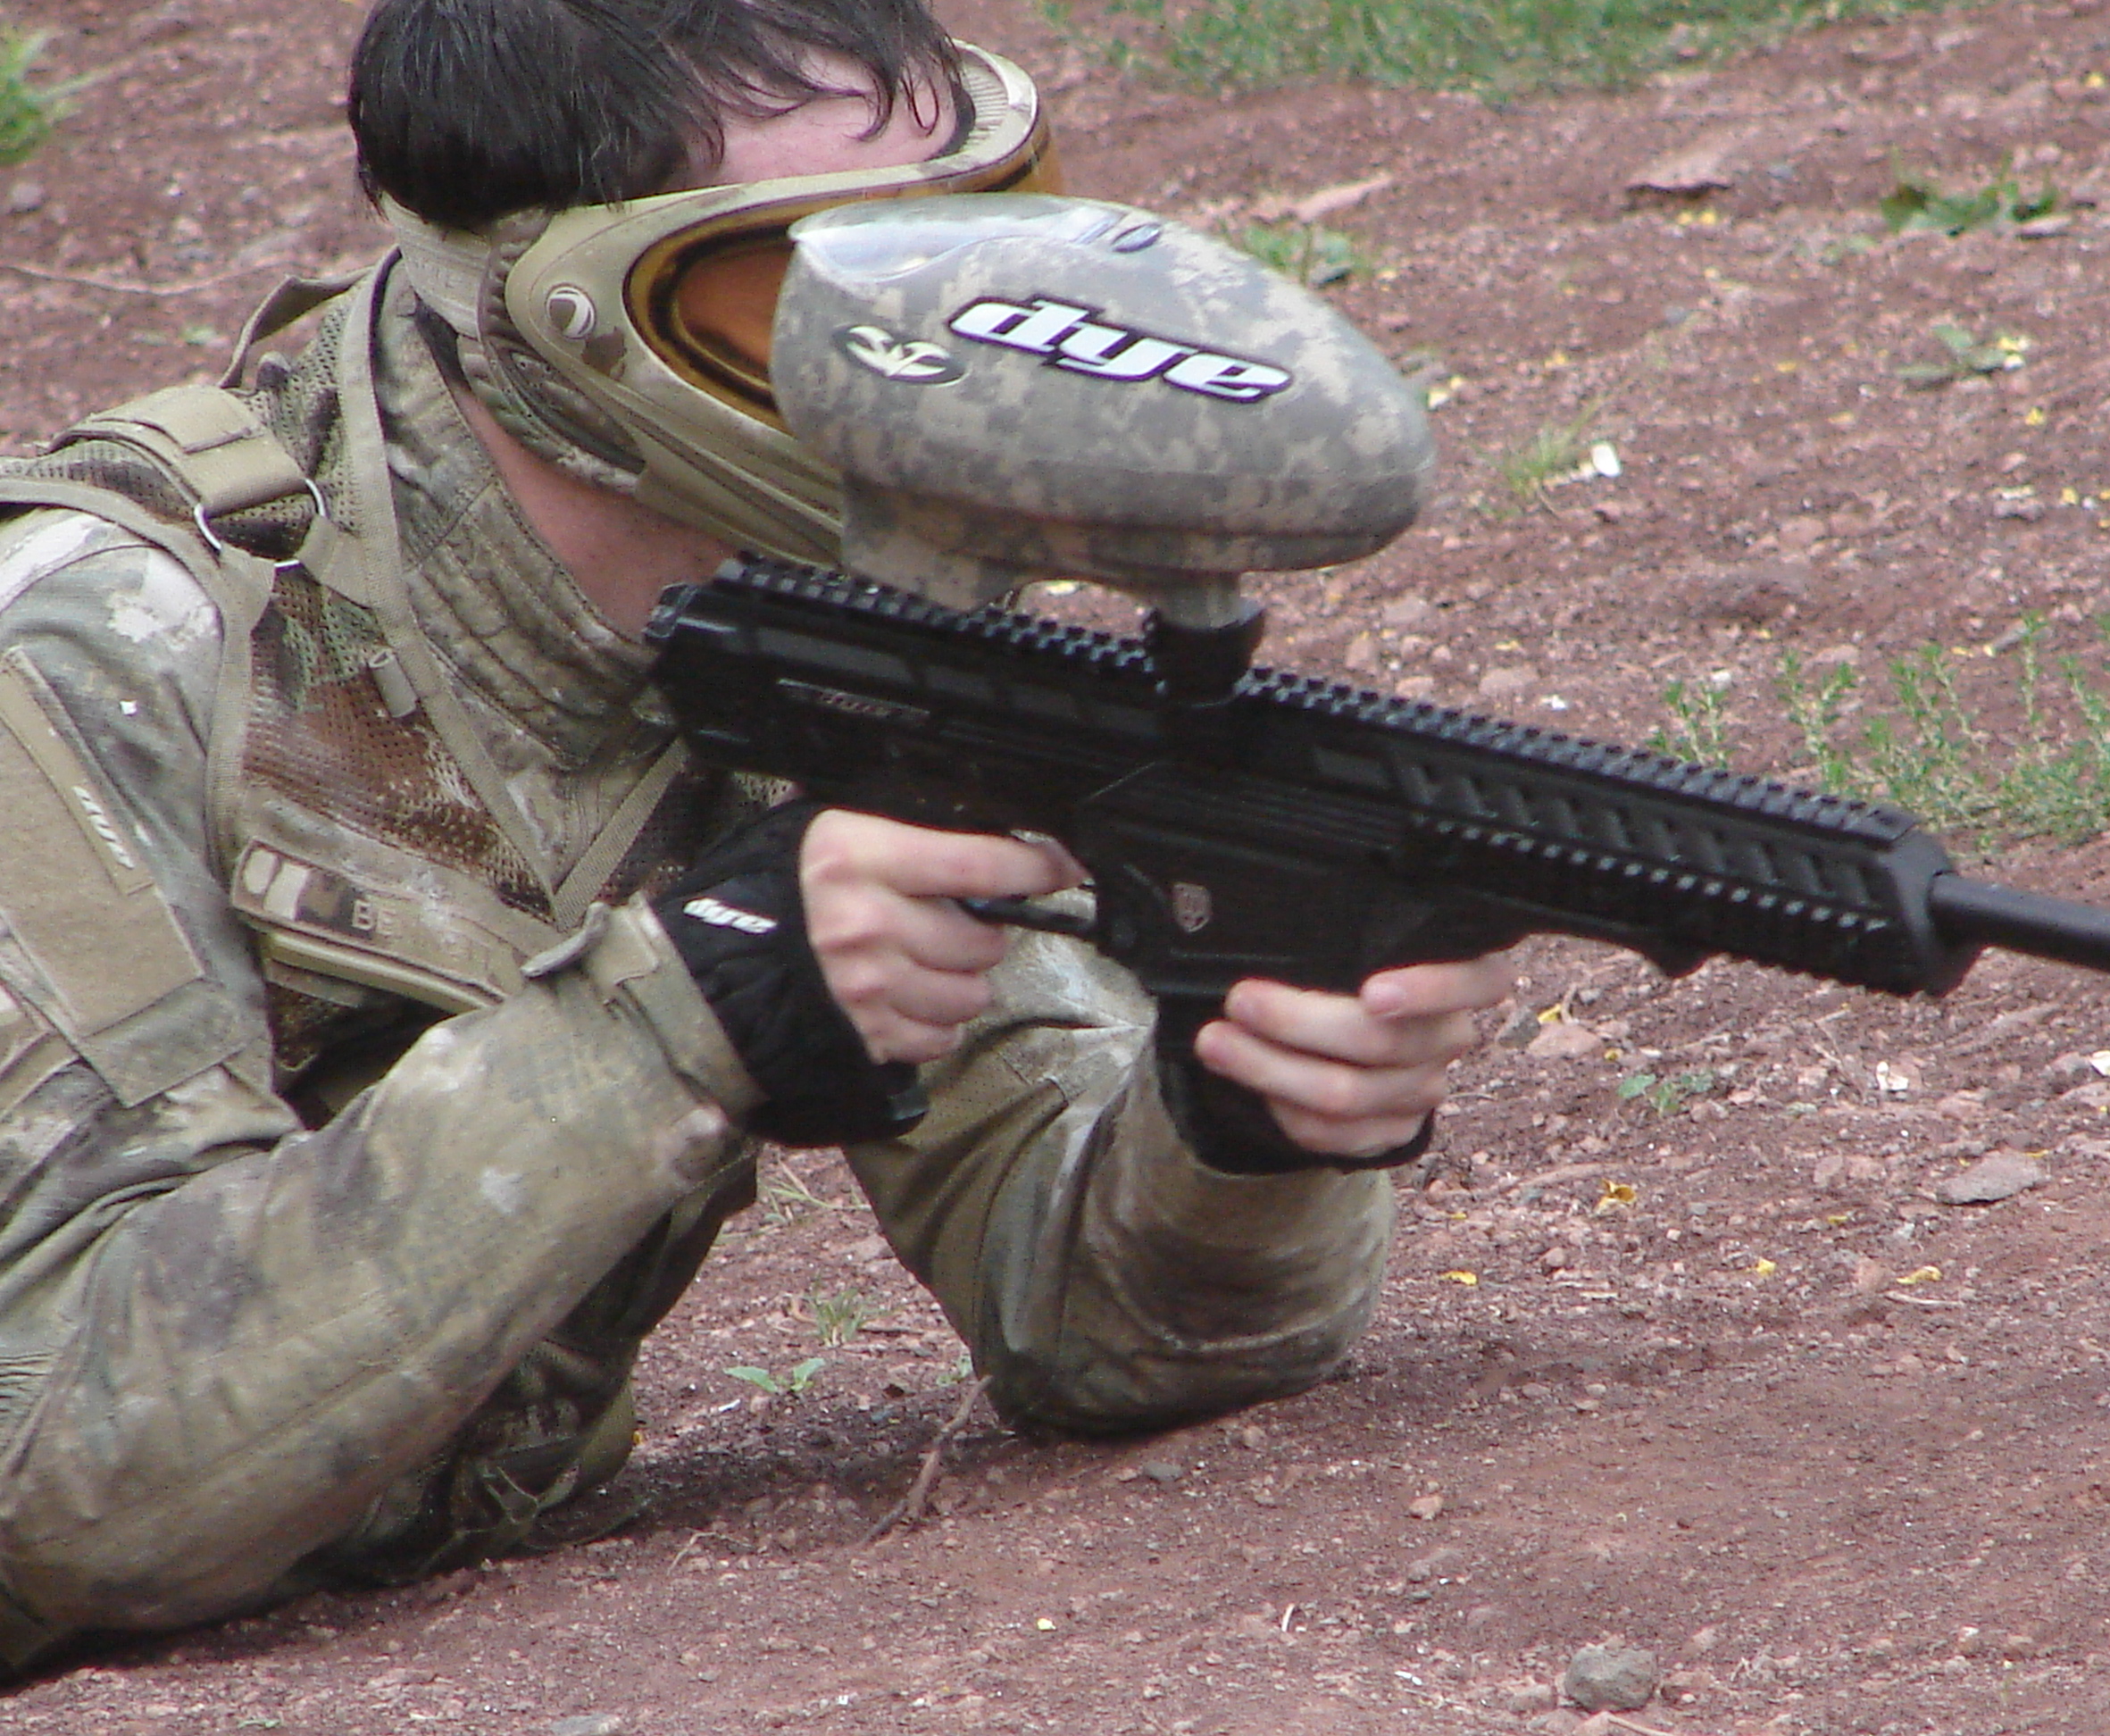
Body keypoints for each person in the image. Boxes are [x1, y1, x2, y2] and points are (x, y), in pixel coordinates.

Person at [0, 0, 1514, 1667]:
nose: (929, 358)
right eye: (819, 287)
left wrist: (1239, 1126)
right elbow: (59, 1477)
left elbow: (1088, 1304)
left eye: (969, 245)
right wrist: (695, 1000)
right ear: (576, 316)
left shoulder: (826, 599)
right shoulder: (99, 655)